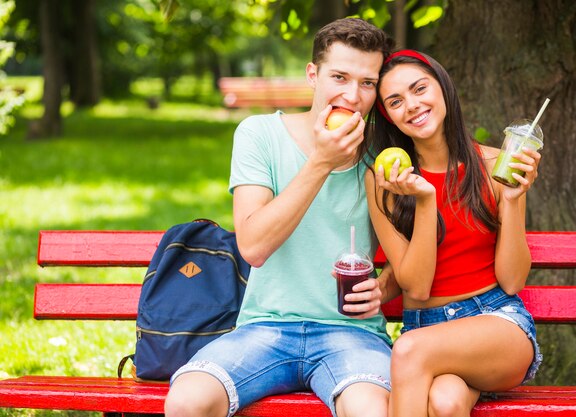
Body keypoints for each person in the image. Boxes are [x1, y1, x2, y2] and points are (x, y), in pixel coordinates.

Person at [164, 18, 397, 417]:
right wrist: (321, 162)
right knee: (186, 402)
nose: (352, 95)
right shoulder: (260, 134)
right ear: (313, 74)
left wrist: (385, 287)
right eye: (339, 77)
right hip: (265, 329)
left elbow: (413, 253)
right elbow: (253, 246)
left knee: (371, 411)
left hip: (353, 334)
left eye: (367, 83)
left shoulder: (385, 155)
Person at [359, 50, 543, 417]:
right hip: (427, 328)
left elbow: (512, 280)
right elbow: (417, 287)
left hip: (496, 322)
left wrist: (511, 201)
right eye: (396, 101)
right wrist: (425, 202)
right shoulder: (384, 180)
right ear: (387, 116)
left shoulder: (496, 164)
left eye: (419, 88)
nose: (411, 105)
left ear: (442, 87)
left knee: (409, 350)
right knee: (445, 403)